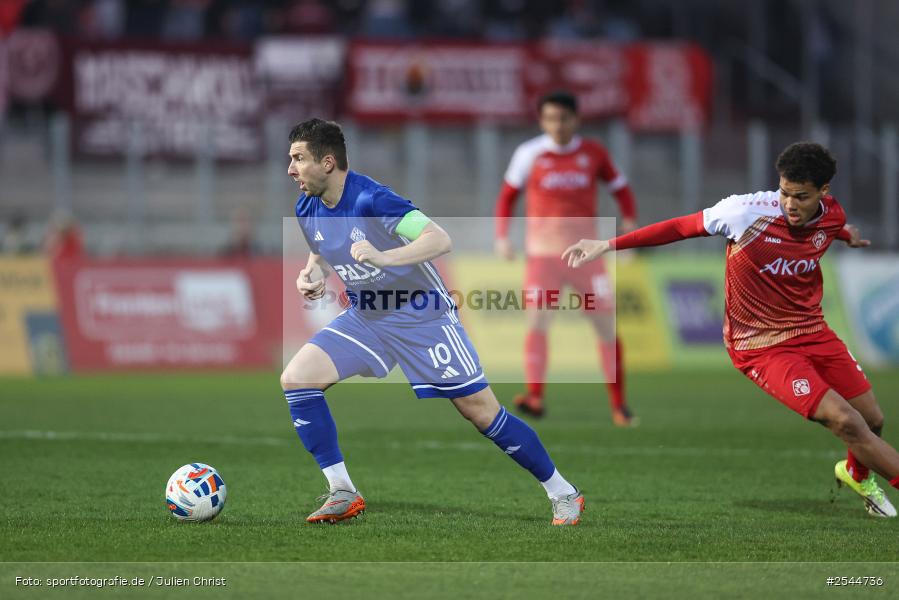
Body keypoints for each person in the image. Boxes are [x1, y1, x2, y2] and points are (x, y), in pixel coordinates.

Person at [562, 142, 898, 517]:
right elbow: (679, 227)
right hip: (760, 346)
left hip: (814, 331)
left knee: (873, 420)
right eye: (784, 193)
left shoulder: (832, 215)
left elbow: (830, 226)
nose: (790, 204)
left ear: (823, 192)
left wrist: (846, 235)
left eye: (801, 197)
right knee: (845, 420)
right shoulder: (744, 212)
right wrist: (608, 245)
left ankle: (856, 474)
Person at [280, 118, 584, 525]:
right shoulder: (307, 207)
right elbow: (320, 251)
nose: (291, 169)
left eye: (299, 158)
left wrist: (384, 257)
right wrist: (310, 274)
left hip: (421, 314)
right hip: (367, 317)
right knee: (297, 379)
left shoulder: (372, 199)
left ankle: (564, 493)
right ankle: (342, 491)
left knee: (481, 412)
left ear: (328, 162)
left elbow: (439, 239)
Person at [495, 90, 639, 426]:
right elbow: (507, 198)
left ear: (576, 119)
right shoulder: (529, 153)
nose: (557, 125)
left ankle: (619, 406)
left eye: (563, 118)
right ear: (541, 120)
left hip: (586, 257)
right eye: (550, 119)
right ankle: (535, 396)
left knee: (605, 327)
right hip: (543, 257)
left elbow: (622, 190)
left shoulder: (594, 153)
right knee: (537, 321)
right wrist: (502, 237)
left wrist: (629, 224)